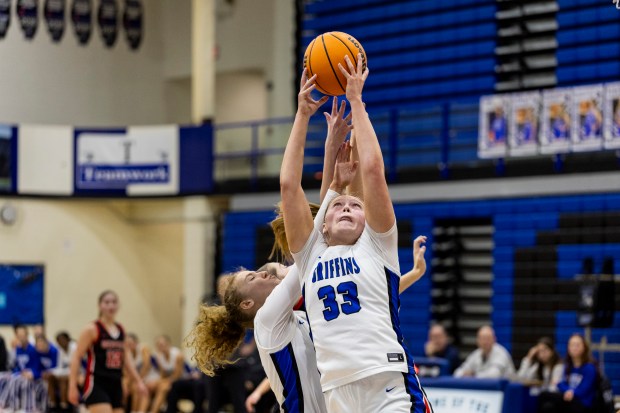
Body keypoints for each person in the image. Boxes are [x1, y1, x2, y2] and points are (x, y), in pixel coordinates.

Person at [280, 57, 430, 412]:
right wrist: (302, 115)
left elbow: (373, 171)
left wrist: (357, 101)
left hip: (388, 383)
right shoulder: (310, 254)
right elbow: (289, 185)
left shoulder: (378, 246)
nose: (347, 208)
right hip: (337, 394)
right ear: (324, 223)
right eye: (337, 206)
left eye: (356, 206)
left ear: (368, 221)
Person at [68, 290, 147, 413]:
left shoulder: (121, 329)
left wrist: (138, 381)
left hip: (116, 383)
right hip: (97, 383)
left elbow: (126, 359)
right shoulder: (92, 329)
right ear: (100, 305)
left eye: (114, 302)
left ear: (118, 305)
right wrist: (72, 385)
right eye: (107, 302)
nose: (111, 305)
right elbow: (76, 357)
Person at [538, 334, 597, 413]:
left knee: (544, 395)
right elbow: (562, 384)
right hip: (569, 399)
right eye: (572, 345)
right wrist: (567, 391)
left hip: (583, 403)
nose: (574, 348)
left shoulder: (589, 368)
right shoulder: (568, 367)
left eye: (577, 345)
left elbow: (584, 390)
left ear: (584, 347)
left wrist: (571, 392)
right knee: (548, 407)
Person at [149, 335, 185, 413]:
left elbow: (177, 375)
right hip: (170, 379)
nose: (161, 347)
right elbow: (163, 374)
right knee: (151, 385)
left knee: (163, 387)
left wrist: (162, 381)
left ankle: (154, 411)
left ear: (169, 344)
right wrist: (158, 382)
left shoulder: (178, 355)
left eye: (162, 344)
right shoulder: (158, 356)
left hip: (183, 379)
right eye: (158, 345)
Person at [125, 333, 158, 413]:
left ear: (136, 343)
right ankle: (134, 410)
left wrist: (139, 380)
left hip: (150, 375)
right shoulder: (127, 353)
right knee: (134, 387)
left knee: (143, 388)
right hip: (138, 377)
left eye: (130, 343)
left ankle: (141, 411)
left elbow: (147, 366)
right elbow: (127, 370)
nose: (129, 345)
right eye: (127, 344)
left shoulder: (143, 348)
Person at [51, 331, 77, 412]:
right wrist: (52, 372)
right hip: (67, 372)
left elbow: (75, 368)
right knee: (50, 377)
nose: (60, 343)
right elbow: (60, 367)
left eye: (62, 340)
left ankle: (64, 406)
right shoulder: (61, 350)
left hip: (78, 373)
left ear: (68, 339)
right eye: (58, 341)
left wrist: (60, 373)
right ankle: (53, 404)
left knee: (63, 380)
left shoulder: (74, 347)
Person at [35, 336, 60, 410]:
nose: (40, 347)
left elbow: (57, 366)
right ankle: (39, 406)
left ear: (47, 343)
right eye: (38, 345)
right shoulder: (38, 353)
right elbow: (37, 367)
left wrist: (48, 372)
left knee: (47, 383)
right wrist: (40, 373)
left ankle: (51, 405)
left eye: (42, 344)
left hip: (55, 375)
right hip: (43, 376)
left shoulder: (54, 351)